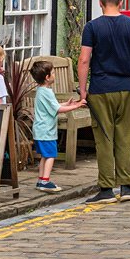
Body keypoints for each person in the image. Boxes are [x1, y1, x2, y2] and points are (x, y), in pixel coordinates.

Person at [77, 0, 130, 205]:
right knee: (125, 137)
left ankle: (107, 189)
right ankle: (127, 187)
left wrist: (83, 90)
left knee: (104, 139)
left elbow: (83, 60)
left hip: (100, 88)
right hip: (127, 88)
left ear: (100, 3)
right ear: (121, 2)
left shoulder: (92, 27)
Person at [28, 60, 84, 193]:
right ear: (47, 77)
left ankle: (41, 179)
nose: (54, 74)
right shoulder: (47, 92)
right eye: (53, 73)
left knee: (45, 156)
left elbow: (54, 106)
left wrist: (67, 103)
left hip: (40, 130)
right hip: (46, 131)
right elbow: (57, 109)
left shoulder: (41, 90)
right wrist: (75, 106)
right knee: (51, 155)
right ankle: (45, 182)